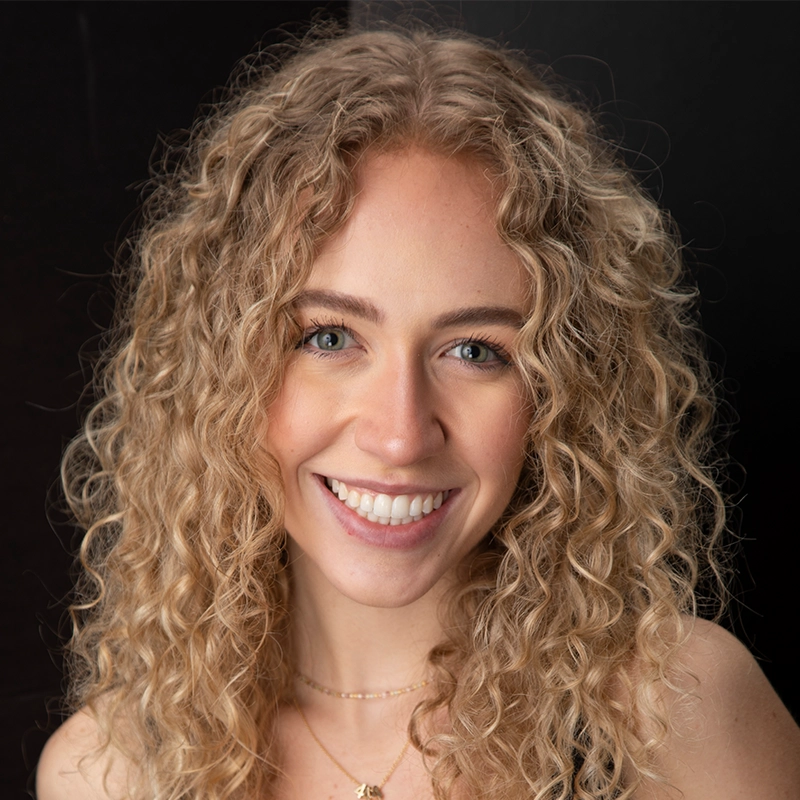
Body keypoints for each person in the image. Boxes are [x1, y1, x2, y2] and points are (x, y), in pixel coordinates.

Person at [36, 26, 800, 800]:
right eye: (329, 337)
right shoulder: (108, 772)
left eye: (474, 350)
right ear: (218, 368)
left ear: (567, 392)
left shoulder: (675, 712)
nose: (401, 434)